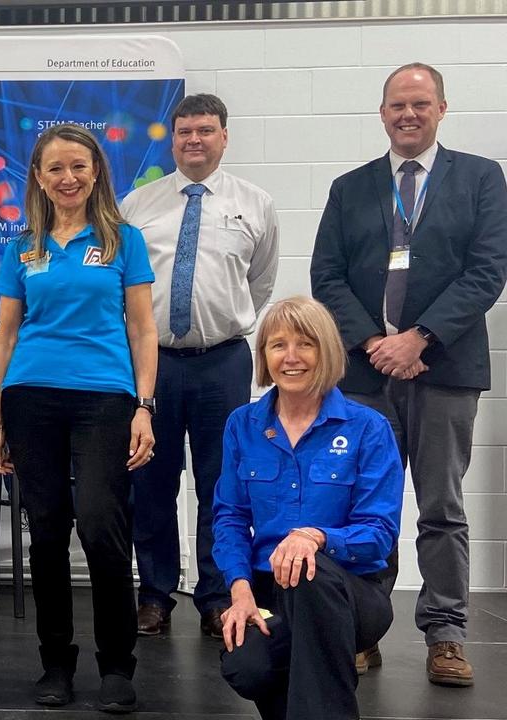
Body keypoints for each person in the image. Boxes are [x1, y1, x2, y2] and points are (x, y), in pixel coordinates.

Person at [310, 62, 507, 686]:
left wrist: (420, 337)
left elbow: (488, 270)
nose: (408, 115)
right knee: (362, 505)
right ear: (382, 112)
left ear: (442, 109)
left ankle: (445, 634)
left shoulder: (481, 178)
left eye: (420, 104)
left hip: (445, 368)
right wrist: (374, 342)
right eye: (397, 105)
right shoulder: (351, 187)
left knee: (442, 507)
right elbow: (327, 276)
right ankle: (361, 632)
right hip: (367, 375)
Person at [0, 123, 157, 713]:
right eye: (55, 168)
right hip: (31, 396)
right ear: (38, 176)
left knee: (101, 522)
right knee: (48, 529)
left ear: (96, 173)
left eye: (78, 167)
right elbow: (5, 336)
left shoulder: (123, 240)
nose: (68, 178)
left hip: (105, 397)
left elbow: (142, 328)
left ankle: (117, 665)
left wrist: (144, 406)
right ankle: (55, 662)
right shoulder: (22, 248)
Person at [120, 93, 279, 638]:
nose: (194, 140)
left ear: (224, 136)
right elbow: (122, 287)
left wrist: (222, 322)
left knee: (223, 483)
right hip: (153, 362)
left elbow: (259, 283)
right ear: (172, 138)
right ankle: (156, 593)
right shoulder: (137, 205)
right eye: (184, 131)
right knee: (153, 481)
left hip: (224, 362)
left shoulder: (254, 204)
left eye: (205, 131)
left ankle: (216, 594)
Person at [214, 296, 403, 720]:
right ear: (264, 356)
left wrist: (316, 537)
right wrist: (239, 589)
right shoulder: (242, 425)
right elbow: (229, 517)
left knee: (307, 573)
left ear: (327, 351)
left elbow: (379, 533)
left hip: (351, 593)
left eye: (306, 344)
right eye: (277, 345)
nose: (291, 357)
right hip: (267, 592)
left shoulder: (368, 428)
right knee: (247, 668)